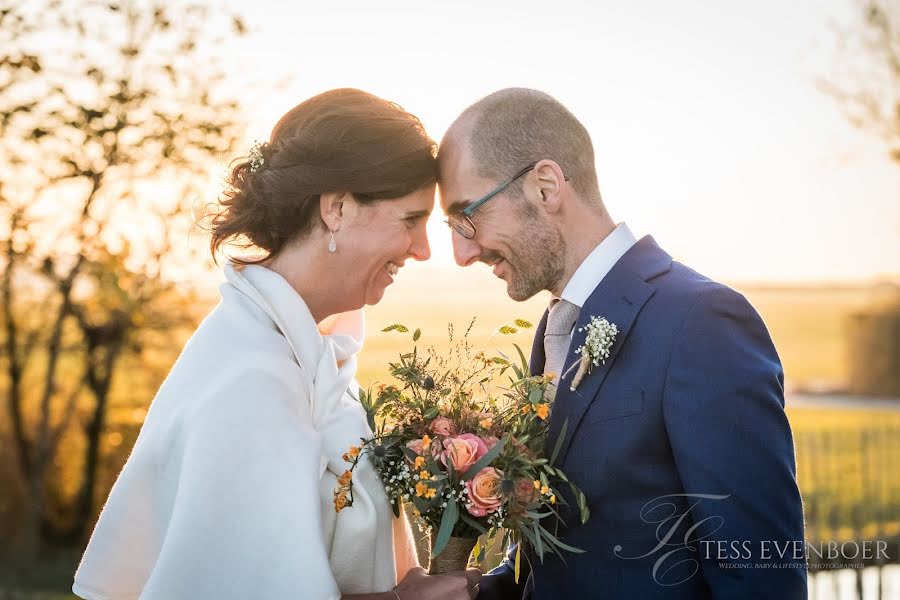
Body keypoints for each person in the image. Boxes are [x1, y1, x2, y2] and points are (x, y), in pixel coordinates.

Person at [72, 88, 481, 600]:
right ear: (336, 208)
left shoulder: (311, 353)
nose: (422, 249)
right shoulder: (254, 379)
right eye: (410, 220)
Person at [438, 88, 806, 599]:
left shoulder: (701, 322)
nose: (461, 251)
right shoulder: (553, 329)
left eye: (467, 216)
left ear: (545, 186)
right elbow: (563, 561)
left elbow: (762, 575)